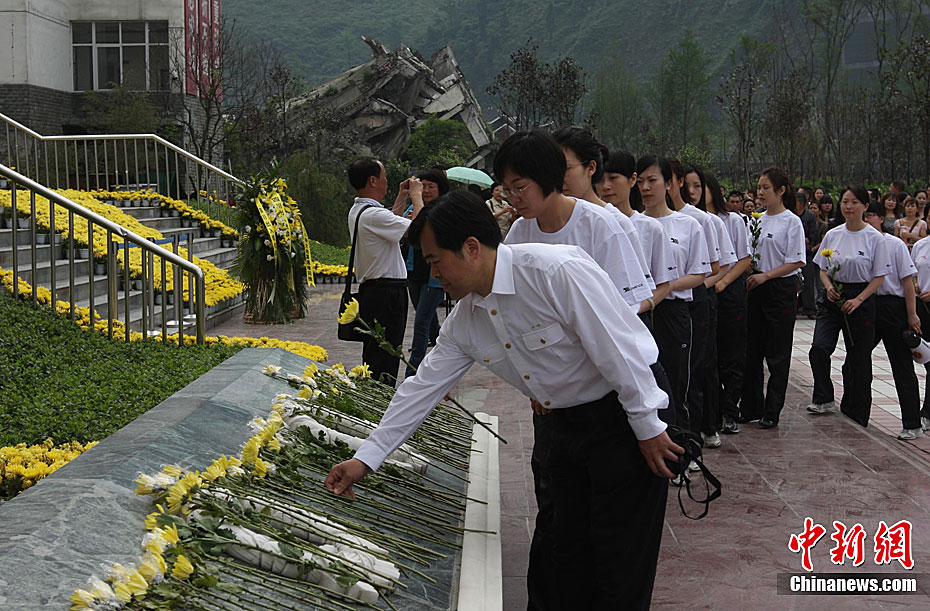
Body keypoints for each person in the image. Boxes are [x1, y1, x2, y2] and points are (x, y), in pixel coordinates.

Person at [325, 191, 683, 610]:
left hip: (624, 413)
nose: (434, 275)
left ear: (472, 248)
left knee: (620, 556)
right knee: (564, 550)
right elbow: (421, 388)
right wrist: (366, 457)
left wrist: (649, 428)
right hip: (563, 423)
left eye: (437, 261)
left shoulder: (555, 271)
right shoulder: (466, 320)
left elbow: (619, 352)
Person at [493, 129, 660, 609]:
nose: (511, 197)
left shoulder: (600, 226)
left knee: (611, 534)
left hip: (610, 396)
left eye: (519, 185)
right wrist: (535, 376)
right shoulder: (521, 231)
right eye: (507, 187)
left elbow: (631, 312)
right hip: (556, 403)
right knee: (558, 525)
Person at [640, 155, 710, 433]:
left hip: (673, 313)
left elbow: (699, 274)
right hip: (641, 313)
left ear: (669, 184)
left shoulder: (688, 225)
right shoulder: (631, 225)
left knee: (676, 383)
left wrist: (664, 287)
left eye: (652, 180)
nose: (646, 187)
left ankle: (683, 448)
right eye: (641, 181)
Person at [808, 186, 889, 427]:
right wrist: (828, 286)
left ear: (865, 206)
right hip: (834, 296)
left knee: (858, 359)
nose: (848, 207)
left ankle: (857, 411)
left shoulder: (875, 238)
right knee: (819, 348)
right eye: (845, 202)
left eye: (854, 202)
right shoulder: (833, 234)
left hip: (860, 298)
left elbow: (879, 276)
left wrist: (859, 299)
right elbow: (822, 267)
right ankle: (823, 396)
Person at [551, 126, 656, 314]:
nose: (558, 177)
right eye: (552, 168)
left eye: (566, 168)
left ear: (590, 167)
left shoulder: (615, 223)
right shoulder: (537, 221)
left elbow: (636, 295)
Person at [346, 158, 424, 386]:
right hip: (386, 293)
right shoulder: (373, 215)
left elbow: (391, 222)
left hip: (376, 291)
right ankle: (381, 400)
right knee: (385, 356)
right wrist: (417, 197)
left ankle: (376, 396)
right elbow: (420, 230)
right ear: (373, 180)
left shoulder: (361, 211)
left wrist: (401, 198)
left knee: (378, 353)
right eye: (384, 176)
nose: (387, 181)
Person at [740, 167, 806, 428]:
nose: (760, 192)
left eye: (766, 187)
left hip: (779, 289)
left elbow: (797, 260)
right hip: (755, 286)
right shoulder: (756, 220)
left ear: (780, 191)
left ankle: (772, 410)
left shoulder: (791, 221)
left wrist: (766, 276)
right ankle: (751, 406)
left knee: (777, 353)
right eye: (759, 187)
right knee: (752, 351)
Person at [676, 162, 728, 447]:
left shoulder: (704, 221)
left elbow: (720, 265)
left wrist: (700, 285)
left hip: (700, 296)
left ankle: (705, 427)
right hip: (673, 302)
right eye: (689, 185)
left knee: (701, 366)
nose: (693, 191)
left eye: (698, 186)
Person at [864, 201, 922, 439]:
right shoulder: (859, 242)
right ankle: (856, 413)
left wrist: (911, 313)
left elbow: (907, 281)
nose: (867, 221)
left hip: (893, 306)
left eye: (871, 216)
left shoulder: (894, 244)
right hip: (868, 305)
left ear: (880, 219)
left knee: (901, 365)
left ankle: (912, 423)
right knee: (856, 359)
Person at [705, 173, 752, 436]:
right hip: (707, 290)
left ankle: (730, 411)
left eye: (699, 187)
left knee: (732, 353)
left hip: (730, 289)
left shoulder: (733, 220)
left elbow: (744, 259)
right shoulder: (694, 219)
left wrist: (723, 282)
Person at [395, 169, 450, 377]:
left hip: (434, 276)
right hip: (414, 273)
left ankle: (412, 372)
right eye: (423, 186)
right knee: (431, 323)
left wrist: (415, 221)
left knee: (421, 323)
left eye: (431, 186)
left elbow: (427, 232)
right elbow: (399, 229)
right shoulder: (413, 207)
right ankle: (445, 360)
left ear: (440, 188)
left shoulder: (444, 209)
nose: (425, 190)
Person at [909, 234, 930, 430]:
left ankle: (927, 412)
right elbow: (913, 273)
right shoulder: (921, 245)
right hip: (923, 308)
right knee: (926, 357)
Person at [795, 191, 821, 319]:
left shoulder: (809, 216)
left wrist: (808, 242)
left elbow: (814, 234)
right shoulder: (790, 216)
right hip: (792, 253)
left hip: (806, 253)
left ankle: (810, 309)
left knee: (809, 282)